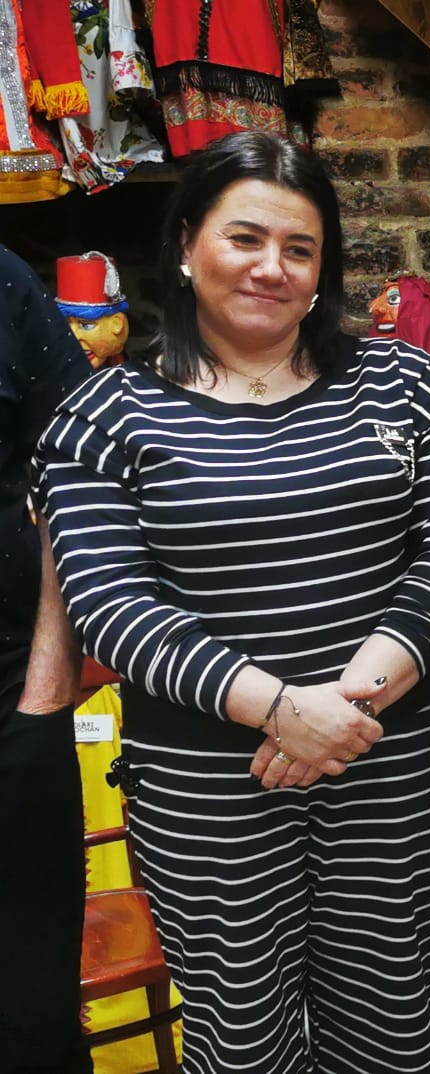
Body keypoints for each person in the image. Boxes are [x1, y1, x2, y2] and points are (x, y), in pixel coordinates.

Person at [34, 131, 430, 1072]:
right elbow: (113, 605)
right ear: (187, 243)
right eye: (245, 238)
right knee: (241, 1037)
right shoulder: (106, 416)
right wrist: (281, 710)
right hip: (208, 784)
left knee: (392, 1021)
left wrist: (343, 710)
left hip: (385, 761)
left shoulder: (402, 384)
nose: (271, 268)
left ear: (323, 269)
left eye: (299, 248)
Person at [0, 242, 93, 1074]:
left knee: (32, 995)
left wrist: (46, 683)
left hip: (9, 693)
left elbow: (74, 472)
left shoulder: (3, 281)